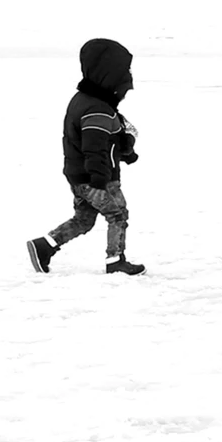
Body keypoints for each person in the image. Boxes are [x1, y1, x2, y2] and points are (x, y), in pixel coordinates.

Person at [27, 37, 145, 275]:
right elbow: (94, 147)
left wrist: (127, 152)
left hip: (81, 176)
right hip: (96, 178)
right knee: (118, 214)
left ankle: (45, 245)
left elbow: (110, 138)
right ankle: (116, 262)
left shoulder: (92, 103)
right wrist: (99, 180)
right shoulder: (96, 109)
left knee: (84, 220)